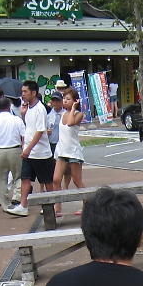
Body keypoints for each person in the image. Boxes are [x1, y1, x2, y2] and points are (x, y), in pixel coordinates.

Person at [6, 80, 53, 217]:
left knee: (46, 181)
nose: (23, 94)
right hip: (29, 152)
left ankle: (51, 205)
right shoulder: (28, 108)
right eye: (22, 92)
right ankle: (23, 205)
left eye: (25, 91)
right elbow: (29, 127)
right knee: (25, 178)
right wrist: (23, 114)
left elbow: (40, 131)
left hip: (41, 153)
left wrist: (28, 148)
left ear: (34, 93)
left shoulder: (40, 109)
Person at [52, 88, 86, 219]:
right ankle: (58, 207)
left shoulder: (78, 114)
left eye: (68, 99)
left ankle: (86, 204)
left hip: (74, 152)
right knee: (56, 179)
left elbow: (71, 123)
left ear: (75, 101)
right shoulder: (62, 114)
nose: (65, 101)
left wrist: (73, 108)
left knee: (77, 181)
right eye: (64, 98)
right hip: (62, 151)